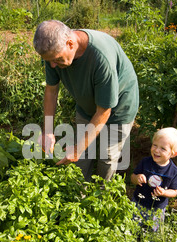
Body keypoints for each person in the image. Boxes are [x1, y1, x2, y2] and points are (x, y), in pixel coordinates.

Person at [33, 20, 139, 181]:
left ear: (70, 43)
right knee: (82, 154)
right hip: (87, 104)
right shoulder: (52, 54)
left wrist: (77, 149)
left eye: (56, 59)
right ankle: (79, 192)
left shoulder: (101, 58)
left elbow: (103, 111)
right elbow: (51, 91)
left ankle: (102, 195)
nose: (52, 65)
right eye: (49, 61)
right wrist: (48, 130)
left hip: (118, 107)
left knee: (107, 155)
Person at [131, 127, 177, 230]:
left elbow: (174, 191)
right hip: (138, 202)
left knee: (152, 233)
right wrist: (136, 178)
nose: (156, 150)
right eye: (155, 145)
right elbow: (132, 177)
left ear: (173, 154)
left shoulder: (173, 171)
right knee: (132, 227)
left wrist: (164, 192)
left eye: (163, 148)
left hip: (157, 208)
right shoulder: (145, 162)